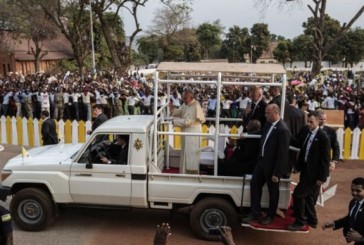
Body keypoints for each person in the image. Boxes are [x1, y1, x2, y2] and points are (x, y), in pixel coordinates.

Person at [243, 104, 290, 225]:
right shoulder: (269, 124)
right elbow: (261, 132)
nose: (265, 115)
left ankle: (271, 215)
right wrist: (247, 135)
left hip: (273, 166)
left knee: (273, 191)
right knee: (255, 184)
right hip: (262, 161)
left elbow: (283, 154)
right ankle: (256, 213)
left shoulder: (283, 129)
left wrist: (277, 173)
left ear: (275, 113)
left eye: (267, 113)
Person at [287, 110, 330, 231]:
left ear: (318, 121)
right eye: (308, 122)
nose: (309, 124)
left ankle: (300, 221)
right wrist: (287, 135)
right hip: (305, 169)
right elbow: (299, 143)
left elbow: (325, 159)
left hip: (314, 173)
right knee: (308, 196)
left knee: (298, 195)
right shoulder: (307, 131)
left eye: (311, 122)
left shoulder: (323, 137)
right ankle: (312, 219)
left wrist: (322, 177)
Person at [172, 90, 206, 174]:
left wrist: (175, 122)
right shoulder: (186, 104)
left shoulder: (195, 106)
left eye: (185, 98)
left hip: (192, 134)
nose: (184, 100)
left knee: (191, 155)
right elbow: (179, 112)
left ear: (191, 98)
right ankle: (183, 173)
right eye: (183, 98)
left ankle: (191, 174)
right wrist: (172, 108)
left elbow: (188, 121)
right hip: (186, 133)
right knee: (185, 153)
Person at [322, 177, 364, 244]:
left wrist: (361, 238)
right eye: (352, 190)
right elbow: (350, 217)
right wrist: (335, 223)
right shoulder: (353, 202)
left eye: (358, 191)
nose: (354, 193)